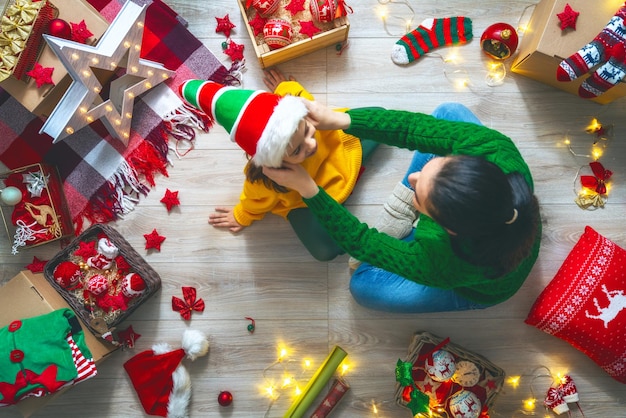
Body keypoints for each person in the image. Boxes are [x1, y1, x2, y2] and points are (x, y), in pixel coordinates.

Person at [262, 101, 542, 313]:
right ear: (465, 161)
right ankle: (410, 207)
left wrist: (309, 189)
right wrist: (341, 119)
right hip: (490, 229)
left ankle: (407, 219)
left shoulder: (446, 262)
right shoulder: (494, 148)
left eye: (417, 195)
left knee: (362, 287)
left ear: (445, 229)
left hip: (476, 284)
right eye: (440, 162)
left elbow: (364, 242)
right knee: (449, 112)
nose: (411, 177)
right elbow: (412, 129)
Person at [178, 70, 379, 261]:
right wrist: (241, 215)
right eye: (296, 150)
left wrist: (283, 86)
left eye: (307, 130)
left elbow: (293, 93)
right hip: (306, 202)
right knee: (324, 252)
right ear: (274, 164)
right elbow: (253, 200)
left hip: (343, 150)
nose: (311, 144)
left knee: (379, 117)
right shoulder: (265, 178)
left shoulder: (301, 109)